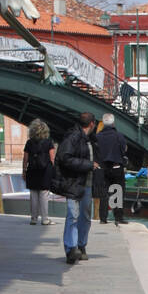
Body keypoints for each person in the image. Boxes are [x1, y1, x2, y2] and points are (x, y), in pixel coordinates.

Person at [56, 111, 97, 265]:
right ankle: (71, 249)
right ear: (92, 124)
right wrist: (88, 165)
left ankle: (81, 245)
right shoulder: (73, 137)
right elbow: (65, 158)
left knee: (85, 216)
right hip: (74, 182)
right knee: (73, 215)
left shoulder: (91, 139)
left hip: (87, 183)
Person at [95, 113, 128, 225]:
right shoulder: (119, 136)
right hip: (116, 166)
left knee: (104, 193)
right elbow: (124, 149)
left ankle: (103, 218)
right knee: (117, 191)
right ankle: (118, 217)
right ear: (113, 123)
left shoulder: (98, 136)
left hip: (102, 168)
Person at [22, 118, 56, 225]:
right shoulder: (48, 142)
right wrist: (53, 171)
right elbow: (52, 158)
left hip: (32, 170)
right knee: (44, 195)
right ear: (45, 131)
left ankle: (33, 219)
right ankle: (45, 219)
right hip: (45, 171)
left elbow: (25, 159)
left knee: (33, 195)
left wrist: (24, 171)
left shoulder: (29, 143)